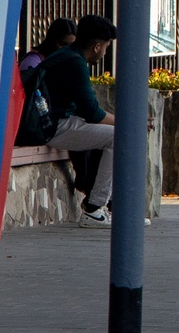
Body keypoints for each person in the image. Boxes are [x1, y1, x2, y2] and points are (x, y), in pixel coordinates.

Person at [33, 15, 120, 223]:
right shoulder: (75, 62)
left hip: (54, 122)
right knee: (119, 137)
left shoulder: (68, 56)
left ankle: (115, 206)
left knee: (113, 135)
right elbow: (92, 112)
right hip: (52, 127)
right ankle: (94, 207)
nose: (105, 52)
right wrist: (126, 123)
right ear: (97, 46)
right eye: (106, 47)